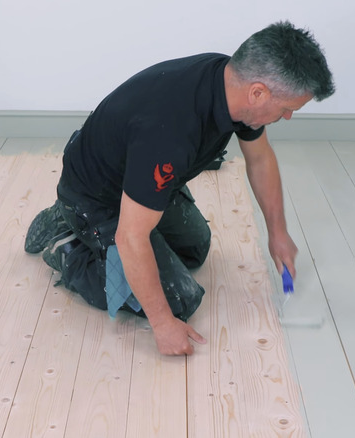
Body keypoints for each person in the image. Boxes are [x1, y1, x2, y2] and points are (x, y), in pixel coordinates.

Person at [25, 21, 334, 356]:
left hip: (138, 176)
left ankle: (88, 222)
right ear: (258, 92)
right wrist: (162, 324)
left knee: (195, 248)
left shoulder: (231, 82)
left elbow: (259, 159)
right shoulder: (170, 131)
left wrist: (278, 232)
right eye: (287, 108)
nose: (287, 117)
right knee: (178, 300)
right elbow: (131, 237)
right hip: (96, 198)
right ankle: (66, 240)